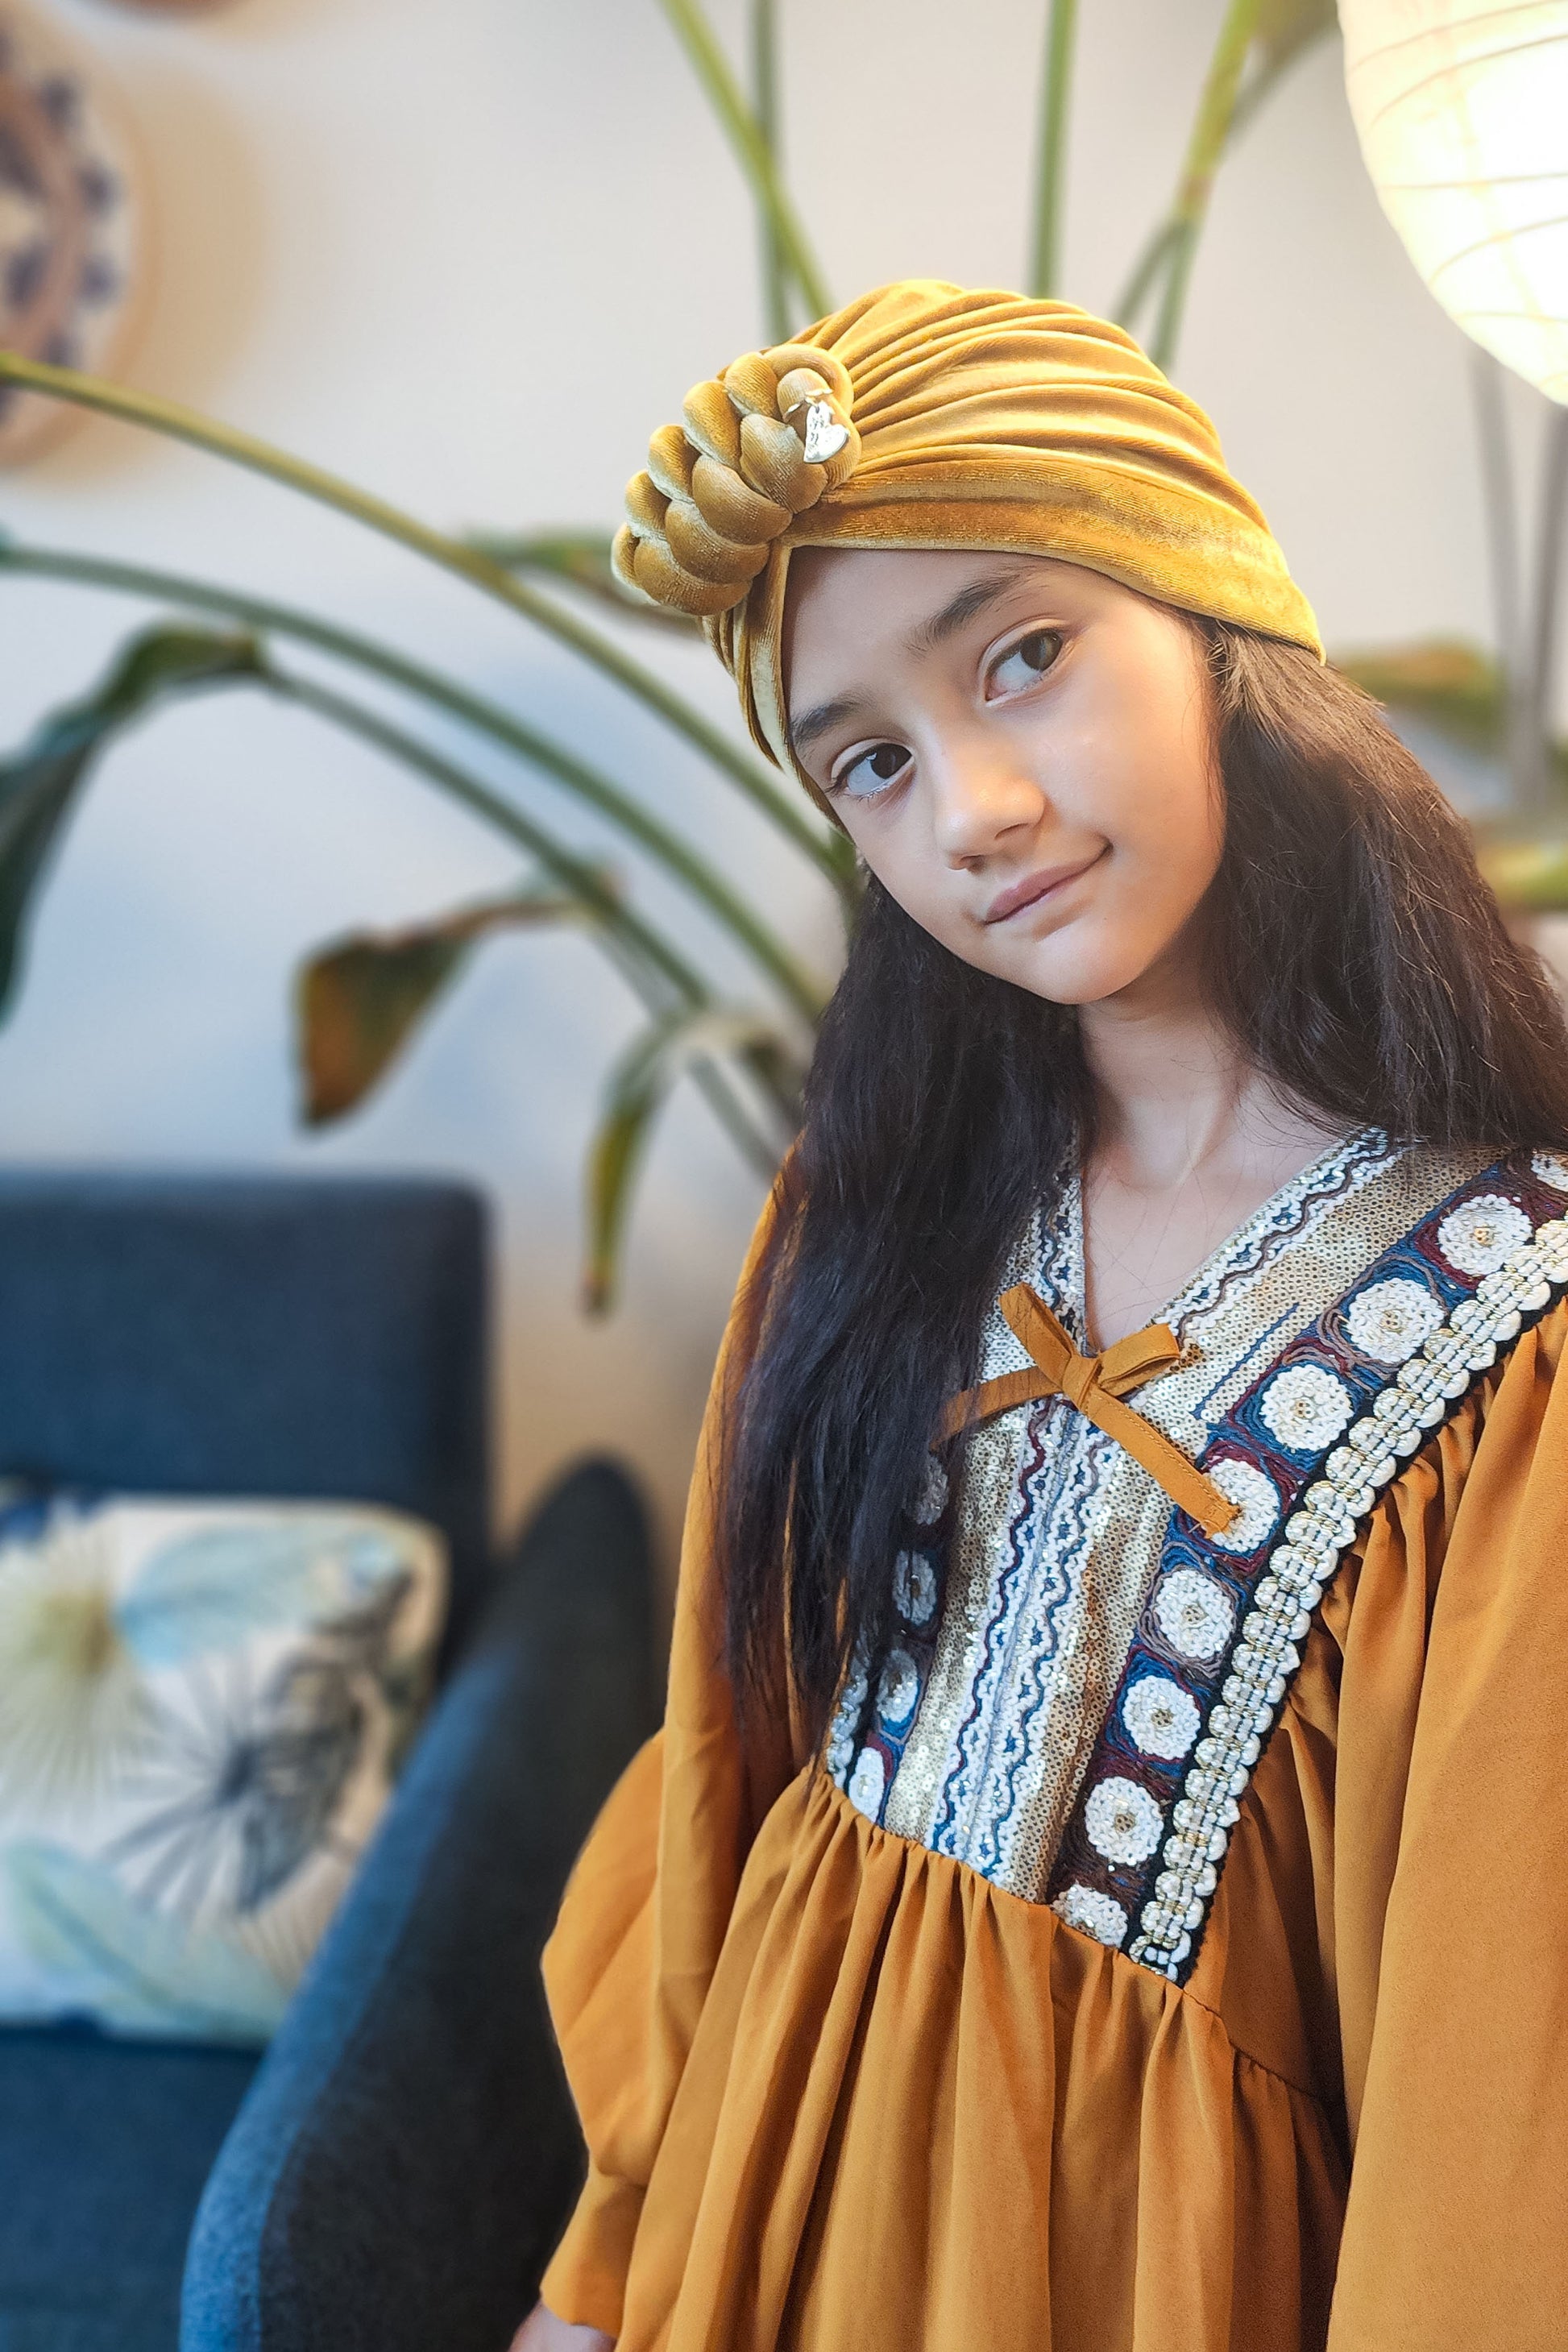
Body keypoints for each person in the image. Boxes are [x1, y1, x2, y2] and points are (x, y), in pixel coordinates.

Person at [513, 280, 1568, 2352]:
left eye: (1024, 653)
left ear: (1208, 617)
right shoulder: (868, 1211)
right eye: (870, 763)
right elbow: (731, 1764)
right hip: (763, 2181)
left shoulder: (1513, 1332)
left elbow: (1493, 2095)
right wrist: (604, 2265)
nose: (971, 809)